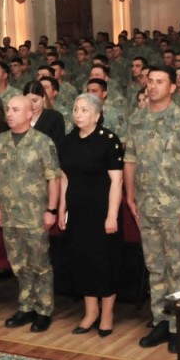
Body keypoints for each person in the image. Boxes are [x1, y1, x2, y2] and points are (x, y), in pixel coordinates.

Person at [126, 67, 180, 350]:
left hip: (175, 208)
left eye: (160, 82)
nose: (153, 86)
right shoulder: (137, 119)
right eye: (150, 81)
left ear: (172, 87)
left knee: (177, 270)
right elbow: (130, 160)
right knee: (154, 268)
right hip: (145, 206)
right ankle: (161, 320)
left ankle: (179, 326)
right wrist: (130, 197)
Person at [0, 95, 61, 332]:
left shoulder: (43, 142)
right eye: (8, 109)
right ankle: (26, 306)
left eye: (16, 110)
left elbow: (53, 178)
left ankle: (44, 310)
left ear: (29, 114)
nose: (9, 113)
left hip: (35, 214)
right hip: (9, 214)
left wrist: (51, 210)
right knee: (18, 264)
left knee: (40, 264)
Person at [58, 95, 124, 337]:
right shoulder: (67, 142)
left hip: (103, 211)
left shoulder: (108, 141)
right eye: (75, 109)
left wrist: (112, 215)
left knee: (105, 262)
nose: (78, 113)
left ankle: (107, 314)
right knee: (82, 260)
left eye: (84, 110)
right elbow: (65, 178)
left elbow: (117, 180)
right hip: (78, 212)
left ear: (97, 115)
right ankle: (90, 312)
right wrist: (62, 208)